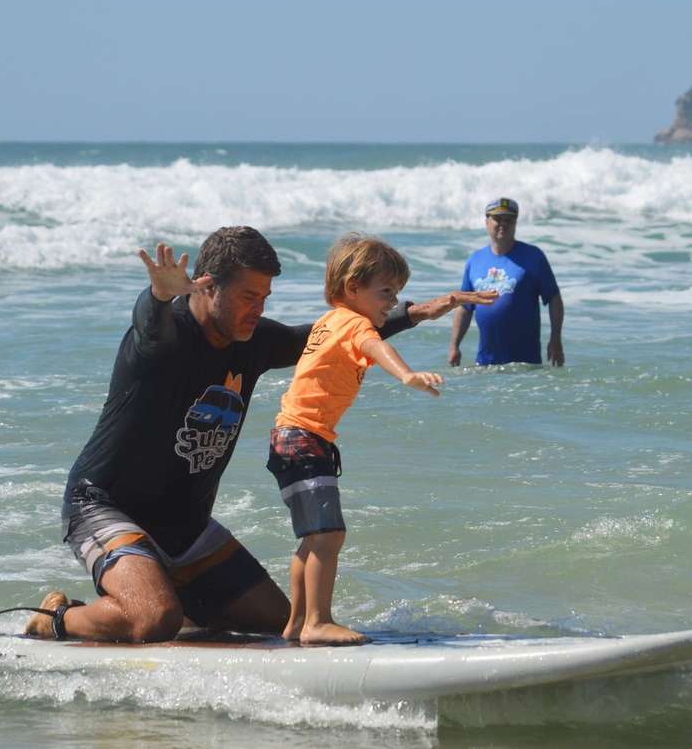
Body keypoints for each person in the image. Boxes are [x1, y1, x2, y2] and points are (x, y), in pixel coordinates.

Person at [25, 226, 496, 643]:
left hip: (184, 524)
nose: (260, 308)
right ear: (207, 287)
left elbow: (325, 337)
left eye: (266, 297)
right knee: (154, 619)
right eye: (250, 296)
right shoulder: (166, 337)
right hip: (104, 505)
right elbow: (150, 323)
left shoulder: (253, 340)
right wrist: (158, 296)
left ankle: (167, 593)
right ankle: (58, 617)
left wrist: (413, 314)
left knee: (277, 621)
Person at [267, 234, 447, 645]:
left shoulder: (328, 320)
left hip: (291, 436)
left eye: (396, 293)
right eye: (386, 292)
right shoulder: (353, 323)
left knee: (313, 536)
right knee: (329, 535)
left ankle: (296, 624)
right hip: (305, 437)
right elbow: (373, 344)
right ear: (353, 288)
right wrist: (406, 375)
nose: (392, 301)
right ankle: (317, 622)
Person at [448, 198, 565, 367]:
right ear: (486, 221)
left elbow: (554, 298)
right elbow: (465, 307)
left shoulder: (533, 257)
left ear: (516, 223)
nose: (503, 224)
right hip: (485, 363)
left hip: (526, 364)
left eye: (509, 220)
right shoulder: (475, 260)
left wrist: (555, 339)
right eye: (497, 219)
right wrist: (454, 346)